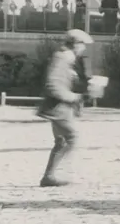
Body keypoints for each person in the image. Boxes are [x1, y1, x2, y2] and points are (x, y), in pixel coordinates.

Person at [37, 29, 94, 187]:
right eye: (82, 45)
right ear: (75, 44)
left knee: (61, 141)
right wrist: (74, 97)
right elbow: (53, 85)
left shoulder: (65, 57)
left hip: (59, 107)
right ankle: (60, 172)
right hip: (58, 107)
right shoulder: (63, 57)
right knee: (72, 138)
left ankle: (49, 176)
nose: (83, 49)